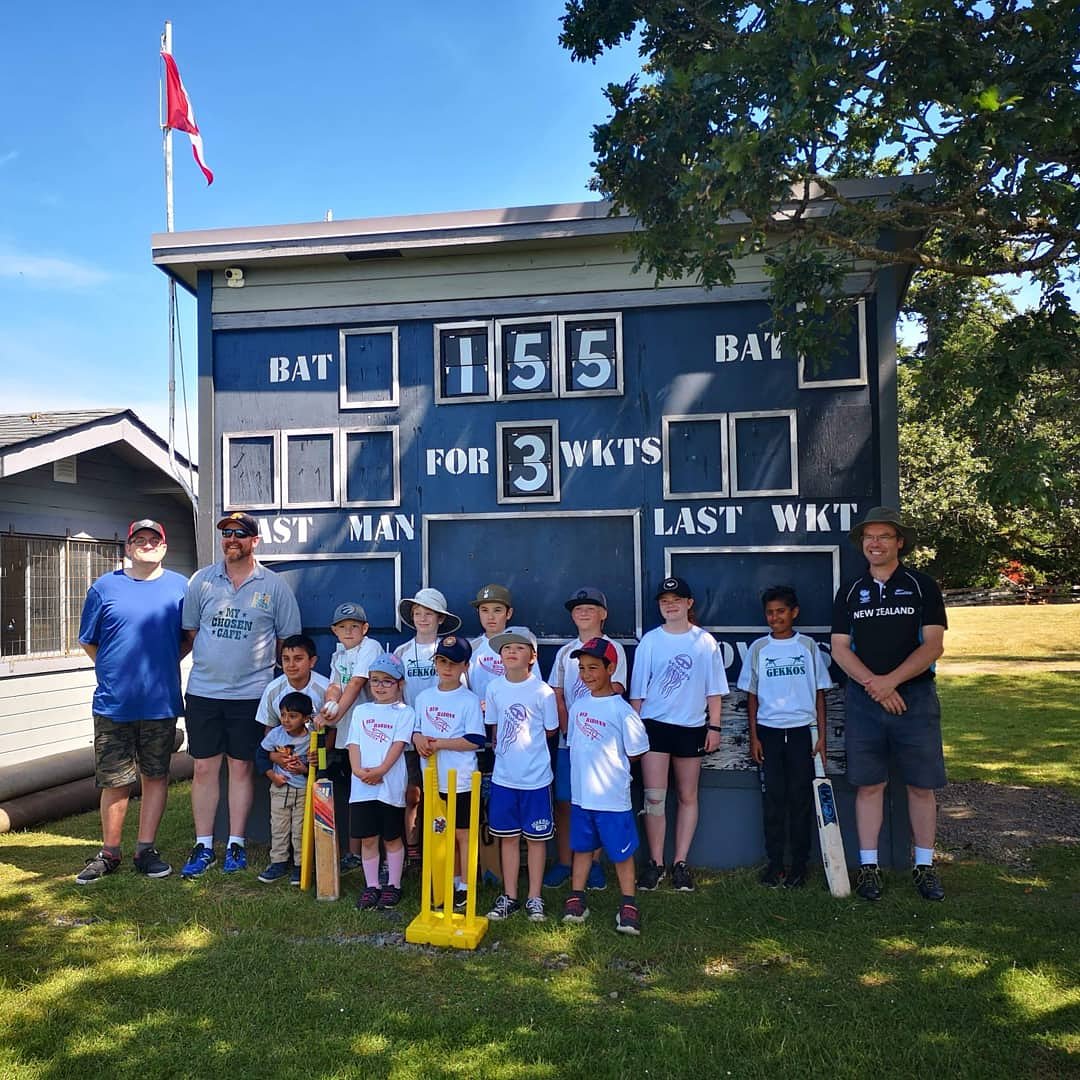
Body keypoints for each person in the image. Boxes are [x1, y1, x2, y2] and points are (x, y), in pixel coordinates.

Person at [831, 507, 948, 902]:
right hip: (865, 700)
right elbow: (839, 648)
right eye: (869, 537)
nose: (875, 543)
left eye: (883, 536)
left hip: (914, 698)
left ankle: (925, 866)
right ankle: (868, 868)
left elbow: (934, 644)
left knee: (921, 785)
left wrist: (891, 682)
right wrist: (875, 686)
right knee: (869, 785)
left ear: (899, 542)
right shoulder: (850, 590)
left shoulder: (922, 586)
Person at [180, 511, 302, 878]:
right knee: (203, 769)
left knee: (241, 768)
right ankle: (203, 846)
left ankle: (236, 843)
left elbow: (287, 641)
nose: (231, 539)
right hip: (203, 691)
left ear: (254, 540)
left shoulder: (274, 586)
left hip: (251, 694)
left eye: (239, 533)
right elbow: (189, 633)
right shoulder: (201, 582)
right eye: (226, 533)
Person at [74, 519, 190, 883]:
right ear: (127, 548)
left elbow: (187, 638)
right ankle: (109, 852)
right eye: (138, 539)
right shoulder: (104, 587)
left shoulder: (180, 588)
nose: (146, 544)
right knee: (114, 780)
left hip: (160, 701)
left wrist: (163, 660)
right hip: (114, 703)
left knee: (155, 776)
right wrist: (113, 669)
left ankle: (146, 849)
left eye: (153, 539)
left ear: (164, 548)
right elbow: (88, 640)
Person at [629, 576, 728, 893]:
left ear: (689, 603)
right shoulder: (651, 641)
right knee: (654, 798)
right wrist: (636, 730)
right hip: (655, 727)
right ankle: (655, 863)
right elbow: (637, 694)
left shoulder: (705, 642)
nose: (670, 605)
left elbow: (714, 691)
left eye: (676, 600)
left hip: (691, 727)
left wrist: (714, 726)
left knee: (687, 796)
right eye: (664, 601)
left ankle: (680, 863)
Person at [738, 586, 833, 889]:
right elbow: (751, 696)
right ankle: (776, 863)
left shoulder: (807, 646)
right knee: (773, 801)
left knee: (800, 800)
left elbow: (819, 692)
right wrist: (754, 737)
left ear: (794, 612)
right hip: (769, 733)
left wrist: (821, 736)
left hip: (802, 733)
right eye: (770, 612)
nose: (775, 617)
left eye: (781, 611)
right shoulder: (758, 649)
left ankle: (800, 865)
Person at [562, 637, 649, 935]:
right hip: (582, 796)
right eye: (582, 668)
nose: (586, 674)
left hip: (612, 799)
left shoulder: (622, 711)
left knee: (621, 853)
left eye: (594, 668)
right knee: (582, 848)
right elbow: (575, 743)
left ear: (610, 668)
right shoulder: (578, 707)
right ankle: (577, 897)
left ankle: (628, 904)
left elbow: (636, 751)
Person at [545, 586, 628, 891]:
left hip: (601, 744)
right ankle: (566, 862)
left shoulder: (613, 649)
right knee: (567, 803)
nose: (582, 612)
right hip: (571, 742)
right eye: (578, 608)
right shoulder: (565, 652)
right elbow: (557, 695)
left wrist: (589, 731)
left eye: (590, 607)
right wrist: (570, 730)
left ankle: (592, 862)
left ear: (603, 614)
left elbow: (616, 691)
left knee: (598, 804)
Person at [483, 629, 559, 922]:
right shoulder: (494, 688)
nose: (511, 652)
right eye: (506, 648)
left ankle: (534, 898)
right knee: (509, 838)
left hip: (536, 779)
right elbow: (493, 728)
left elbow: (551, 730)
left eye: (519, 648)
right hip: (504, 779)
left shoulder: (543, 692)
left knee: (537, 840)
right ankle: (510, 896)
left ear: (533, 656)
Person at [412, 634, 485, 911]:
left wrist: (439, 743)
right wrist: (419, 739)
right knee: (442, 832)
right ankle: (451, 881)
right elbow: (417, 730)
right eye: (442, 661)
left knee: (463, 834)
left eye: (454, 663)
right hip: (433, 779)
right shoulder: (424, 697)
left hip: (462, 779)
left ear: (465, 666)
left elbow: (475, 740)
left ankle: (467, 885)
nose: (447, 668)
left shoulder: (468, 700)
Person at [393, 587, 462, 866]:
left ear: (440, 619)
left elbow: (459, 691)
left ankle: (441, 853)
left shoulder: (449, 649)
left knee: (442, 796)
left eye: (429, 614)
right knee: (413, 794)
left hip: (444, 738)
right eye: (418, 613)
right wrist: (411, 732)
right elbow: (396, 695)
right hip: (412, 736)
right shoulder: (402, 651)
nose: (422, 618)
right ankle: (412, 851)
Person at [344, 653, 416, 910]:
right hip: (362, 785)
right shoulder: (361, 711)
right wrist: (357, 770)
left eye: (387, 681)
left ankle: (393, 884)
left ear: (399, 684)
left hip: (389, 786)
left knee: (392, 837)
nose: (380, 686)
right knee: (368, 838)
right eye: (375, 680)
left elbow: (398, 745)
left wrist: (381, 770)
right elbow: (353, 743)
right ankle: (372, 884)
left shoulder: (405, 713)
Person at [319, 601, 383, 873]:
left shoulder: (370, 647)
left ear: (364, 628)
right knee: (355, 793)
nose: (348, 631)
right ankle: (356, 854)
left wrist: (334, 715)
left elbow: (357, 683)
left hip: (371, 732)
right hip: (348, 735)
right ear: (334, 630)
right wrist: (329, 704)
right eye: (342, 627)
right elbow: (335, 684)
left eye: (354, 626)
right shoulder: (338, 654)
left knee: (374, 792)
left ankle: (379, 855)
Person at [255, 691, 313, 885]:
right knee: (279, 827)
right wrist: (273, 776)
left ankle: (300, 866)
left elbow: (319, 766)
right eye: (283, 715)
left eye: (293, 716)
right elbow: (261, 756)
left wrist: (304, 769)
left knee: (300, 829)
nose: (286, 720)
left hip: (303, 791)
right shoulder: (276, 734)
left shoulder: (311, 737)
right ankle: (278, 862)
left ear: (306, 718)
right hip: (279, 788)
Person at [254, 634, 329, 728]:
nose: (291, 665)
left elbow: (333, 729)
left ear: (312, 661)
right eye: (286, 659)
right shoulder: (272, 690)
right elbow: (270, 728)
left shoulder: (326, 689)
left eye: (298, 659)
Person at [466, 583, 515, 705]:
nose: (490, 617)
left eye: (497, 610)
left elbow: (532, 687)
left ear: (508, 613)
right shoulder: (470, 648)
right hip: (478, 716)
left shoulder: (520, 646)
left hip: (512, 716)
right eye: (484, 610)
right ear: (478, 613)